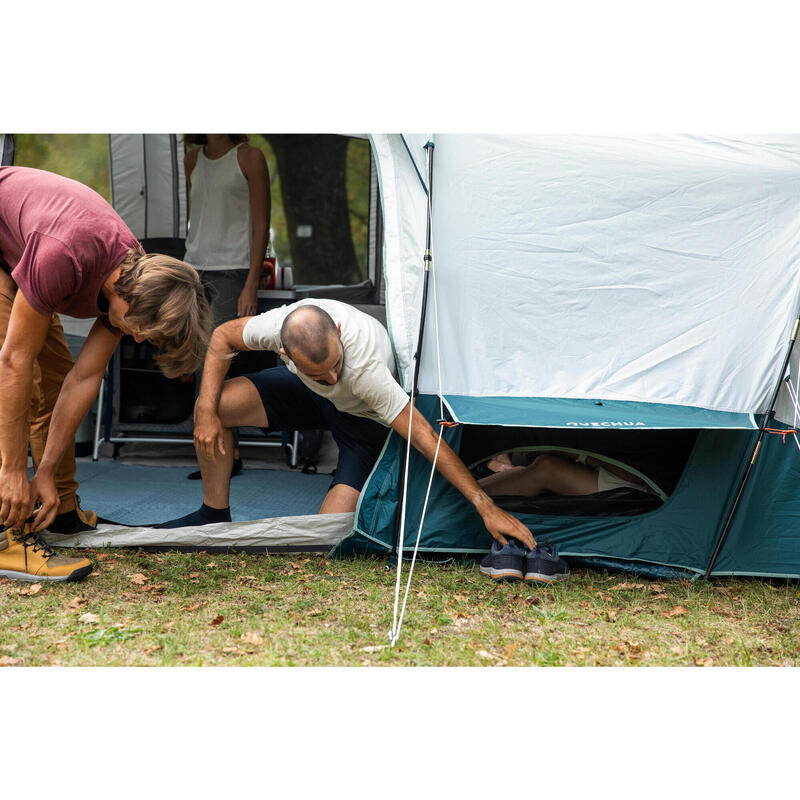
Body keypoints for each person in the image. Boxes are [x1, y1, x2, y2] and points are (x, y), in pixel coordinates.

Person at [155, 299, 536, 551]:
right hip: (308, 397)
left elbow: (424, 435)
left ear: (338, 329)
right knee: (216, 404)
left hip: (362, 420)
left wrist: (485, 506)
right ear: (284, 353)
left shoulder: (364, 372)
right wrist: (205, 407)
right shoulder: (275, 328)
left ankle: (485, 468)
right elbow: (222, 337)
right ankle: (214, 512)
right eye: (321, 372)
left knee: (321, 538)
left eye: (336, 364)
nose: (332, 375)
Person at [0, 166, 213, 582]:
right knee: (14, 376)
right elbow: (13, 362)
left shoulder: (135, 280)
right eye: (142, 331)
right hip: (14, 248)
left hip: (26, 248)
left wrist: (43, 472)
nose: (137, 339)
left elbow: (83, 378)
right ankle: (6, 536)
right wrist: (12, 471)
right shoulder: (65, 255)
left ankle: (57, 508)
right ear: (129, 298)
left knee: (58, 376)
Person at [183, 134, 271, 479]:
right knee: (197, 360)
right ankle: (218, 452)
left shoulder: (249, 157)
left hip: (232, 272)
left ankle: (223, 453)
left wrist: (251, 282)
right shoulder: (192, 160)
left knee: (214, 362)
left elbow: (260, 224)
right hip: (193, 269)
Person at [479, 451, 653, 498]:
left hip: (635, 485)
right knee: (523, 472)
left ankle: (464, 497)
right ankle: (465, 491)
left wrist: (577, 455)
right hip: (602, 469)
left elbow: (630, 473)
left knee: (546, 467)